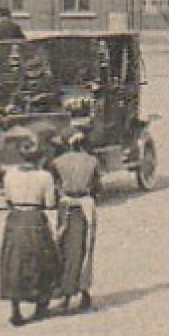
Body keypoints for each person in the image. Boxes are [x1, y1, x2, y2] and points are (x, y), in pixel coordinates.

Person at [0, 137, 60, 326]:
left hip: (16, 218)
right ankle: (41, 304)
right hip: (34, 217)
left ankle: (15, 309)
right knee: (42, 259)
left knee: (13, 262)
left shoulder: (10, 175)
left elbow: (7, 199)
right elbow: (50, 203)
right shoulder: (45, 177)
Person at [50, 130, 101, 314]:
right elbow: (97, 187)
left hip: (66, 206)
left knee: (64, 247)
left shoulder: (58, 162)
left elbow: (54, 186)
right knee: (86, 249)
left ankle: (65, 293)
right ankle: (84, 292)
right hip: (85, 205)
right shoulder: (92, 162)